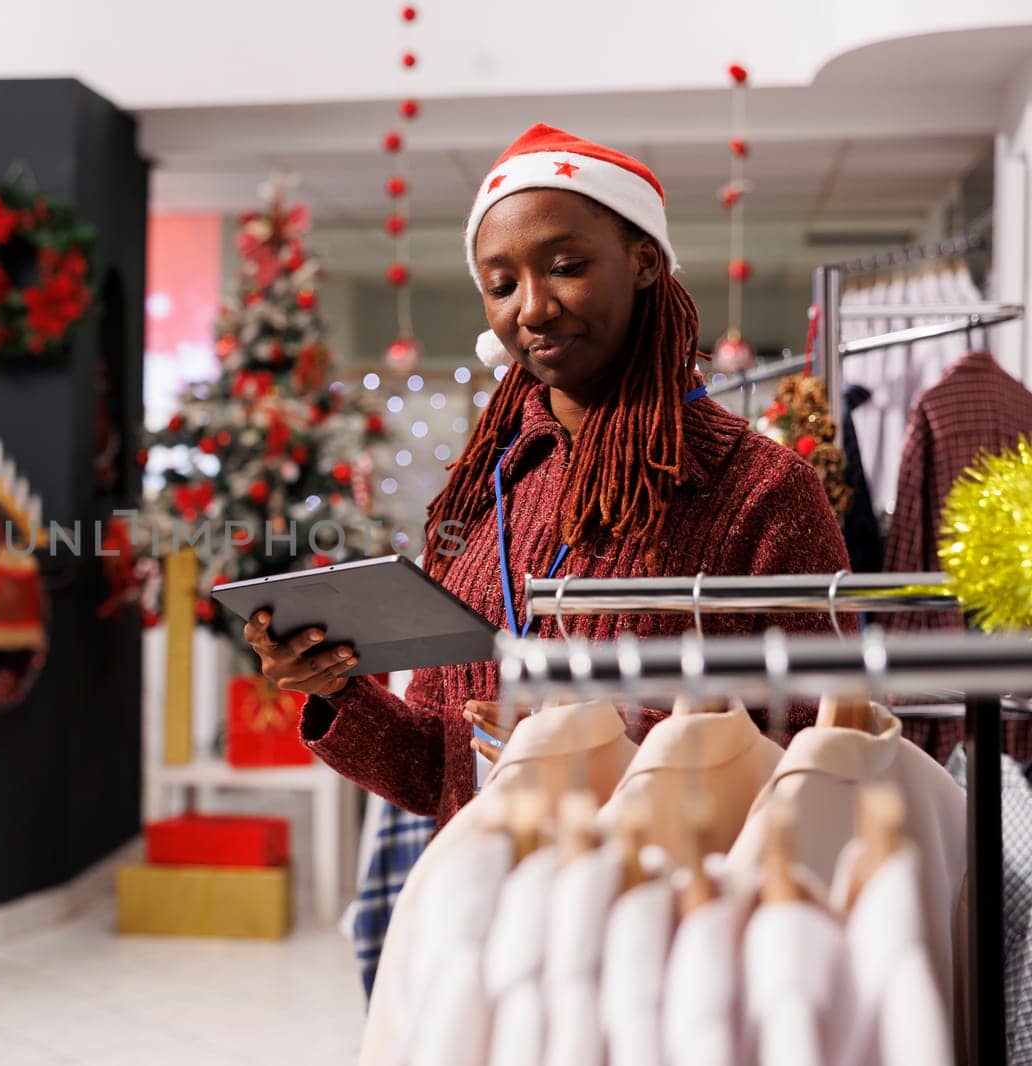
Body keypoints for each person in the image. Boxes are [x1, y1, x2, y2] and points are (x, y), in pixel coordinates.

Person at [243, 124, 851, 832]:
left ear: (645, 262)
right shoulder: (490, 487)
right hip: (489, 909)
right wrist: (342, 692)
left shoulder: (758, 488)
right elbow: (439, 774)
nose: (531, 307)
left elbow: (826, 756)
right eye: (501, 285)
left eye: (565, 265)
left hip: (660, 910)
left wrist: (593, 742)